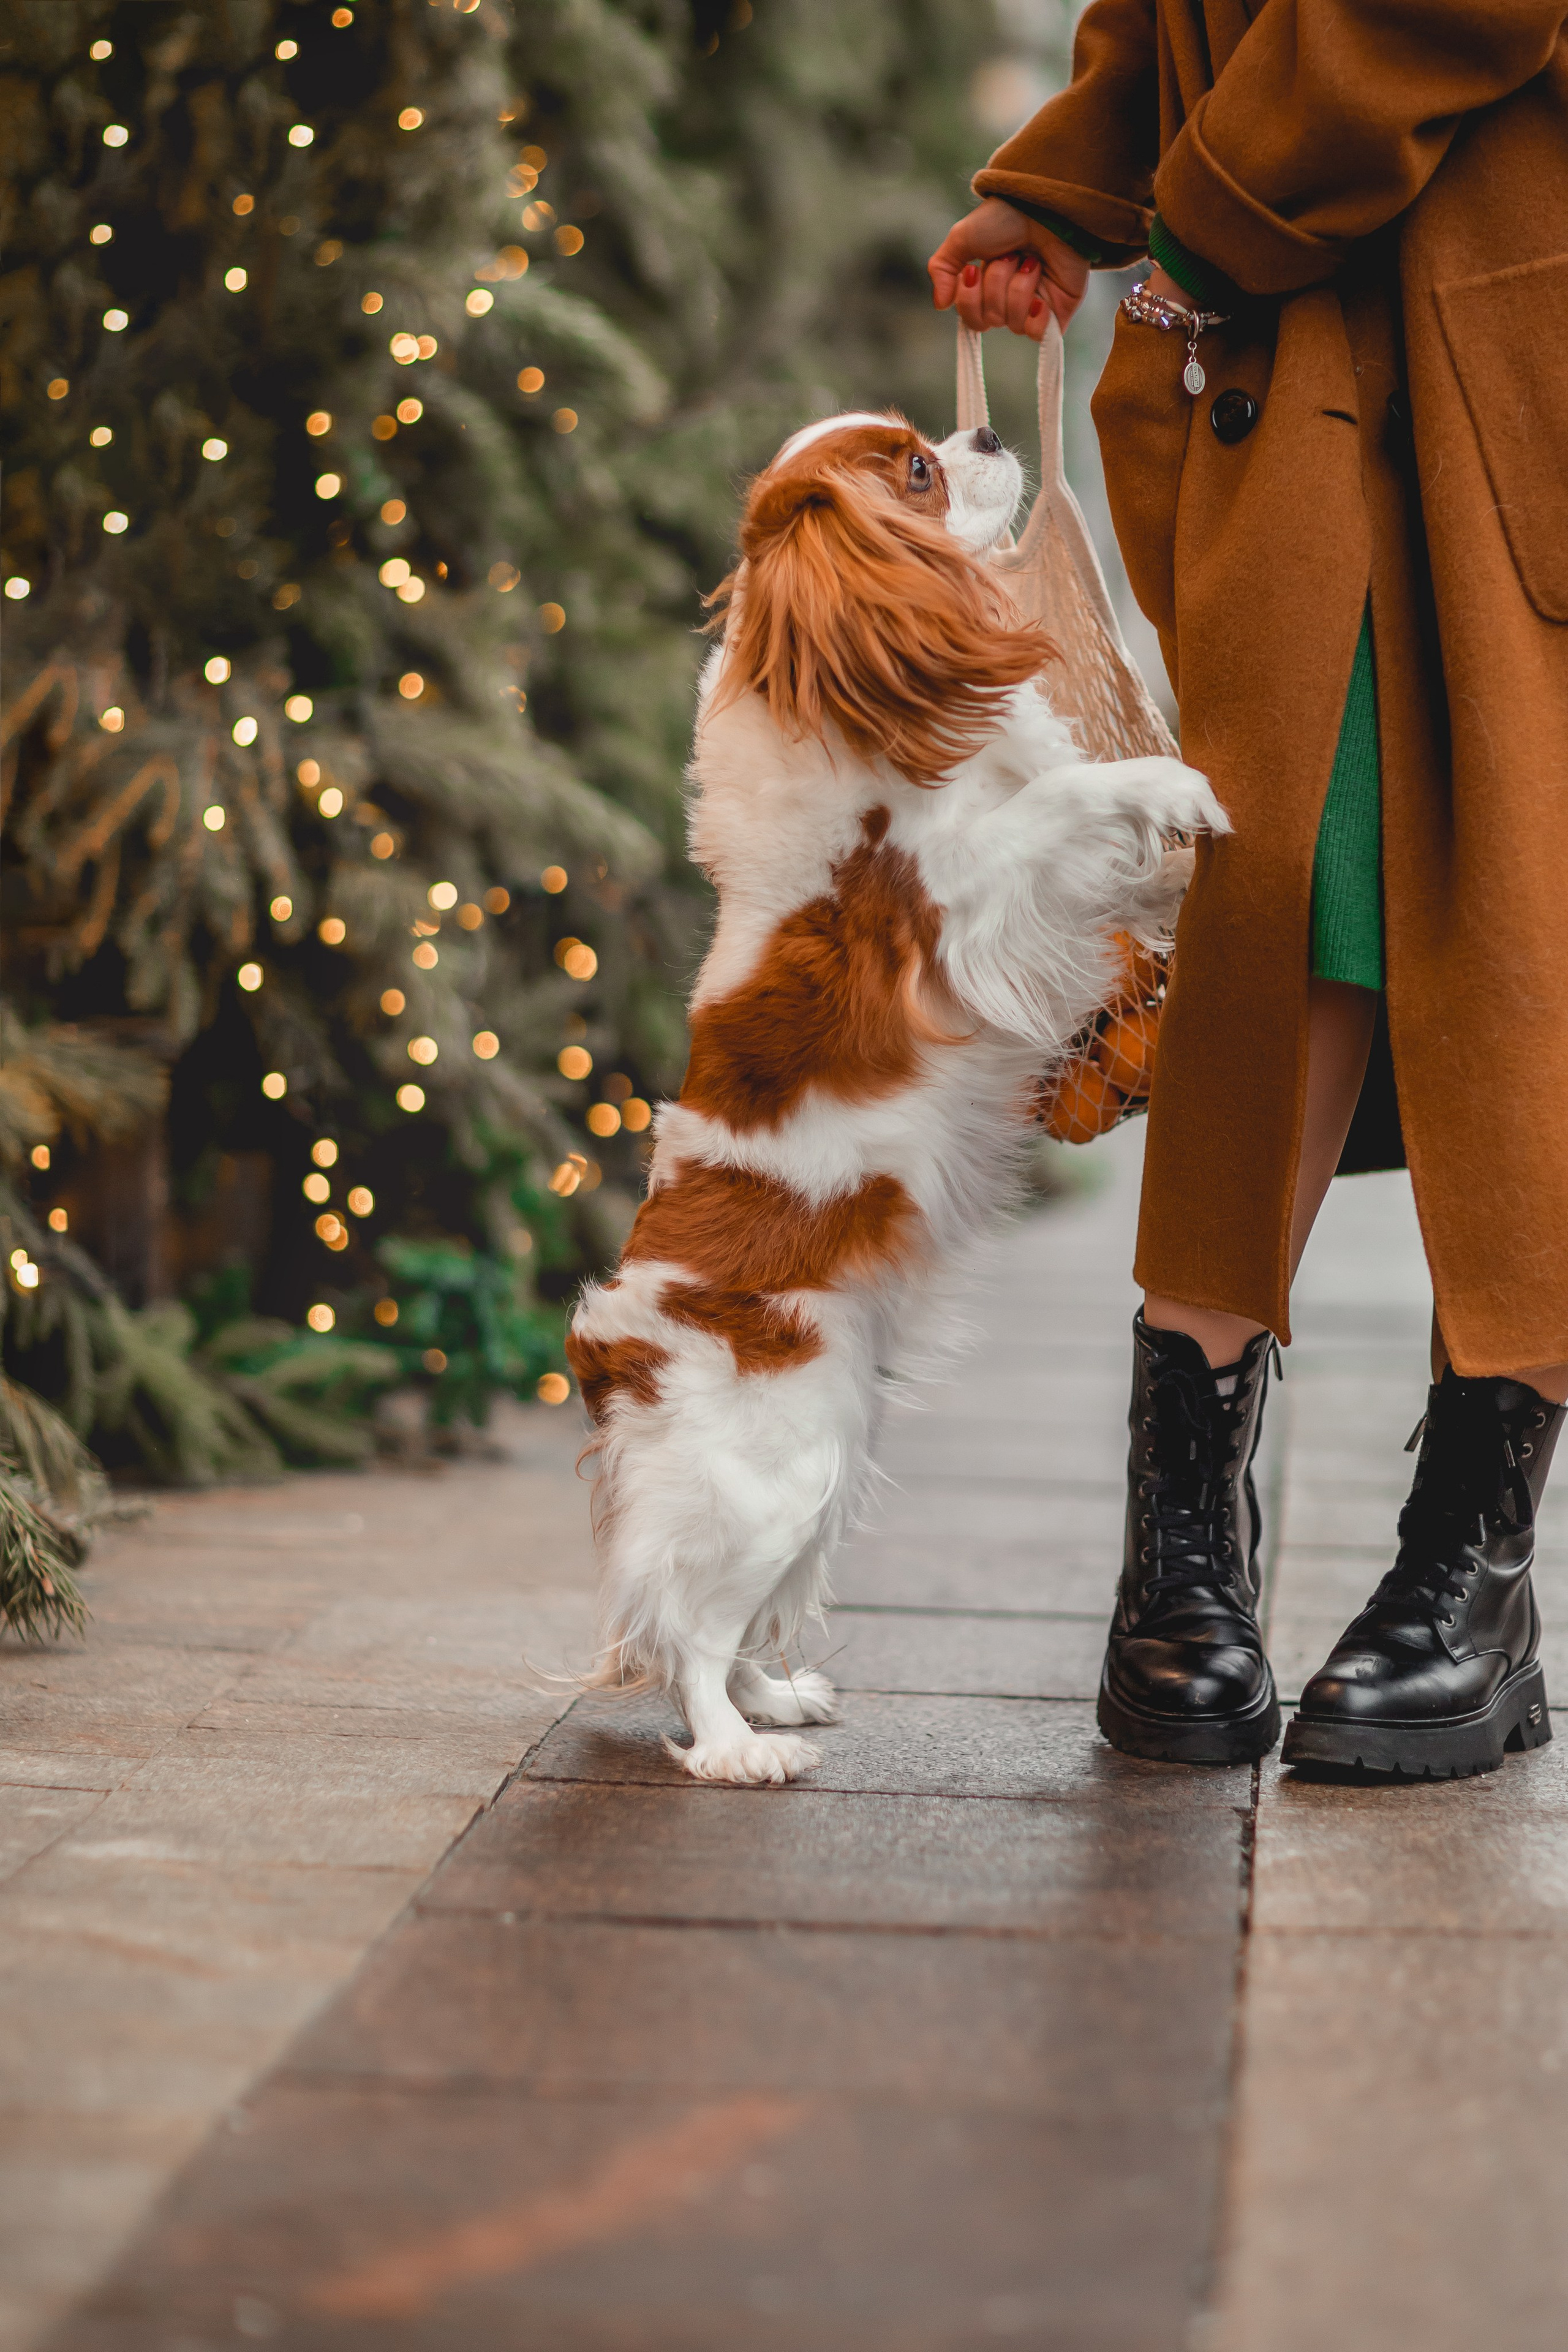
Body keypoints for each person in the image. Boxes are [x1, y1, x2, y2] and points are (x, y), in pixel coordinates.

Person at [929, 1, 1568, 1774]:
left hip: (1504, 314)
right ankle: (1186, 1536)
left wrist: (1198, 205)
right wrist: (1074, 190)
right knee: (1291, 884)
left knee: (1509, 909)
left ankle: (1472, 1557)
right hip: (1289, 343)